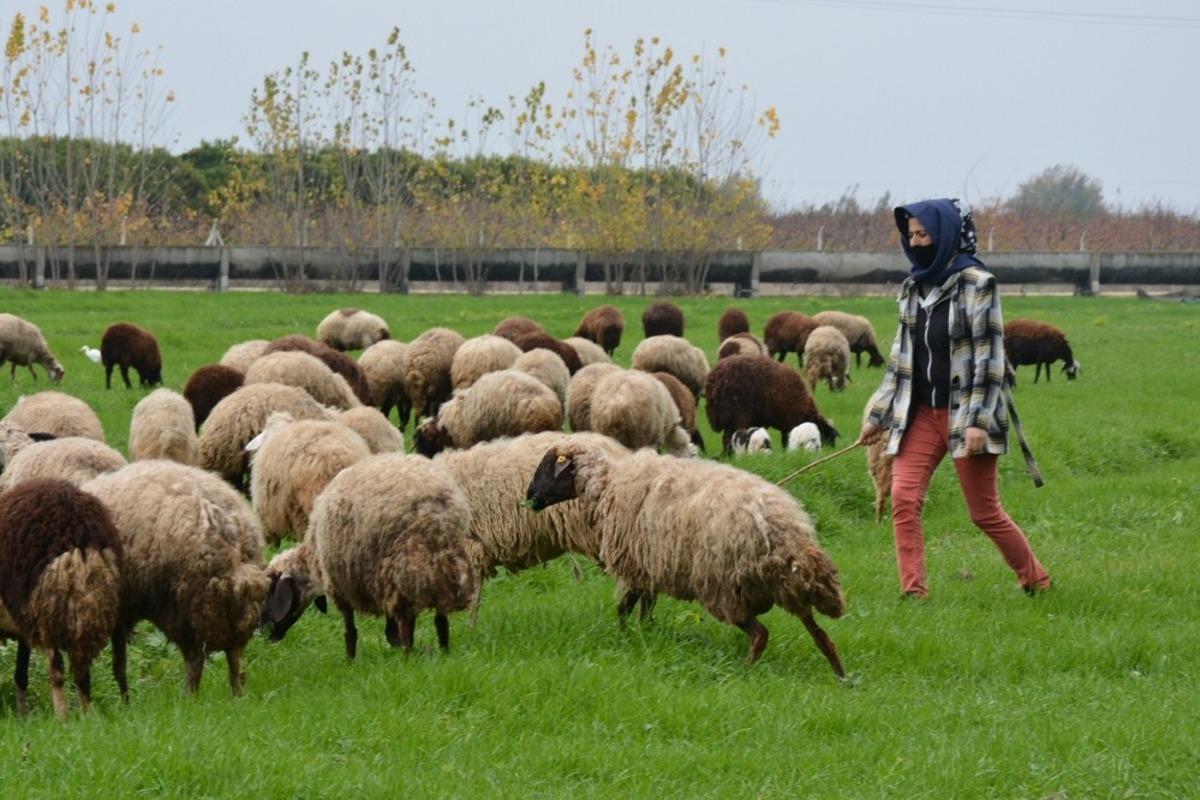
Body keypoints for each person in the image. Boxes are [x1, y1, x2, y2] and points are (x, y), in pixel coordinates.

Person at [858, 198, 1050, 599]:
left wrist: (978, 420)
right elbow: (900, 359)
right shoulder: (913, 289)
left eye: (923, 234)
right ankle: (914, 591)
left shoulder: (978, 285)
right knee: (903, 497)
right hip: (922, 413)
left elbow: (990, 357)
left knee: (984, 512)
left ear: (943, 235)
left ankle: (1036, 579)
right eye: (910, 235)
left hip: (965, 415)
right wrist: (878, 414)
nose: (916, 242)